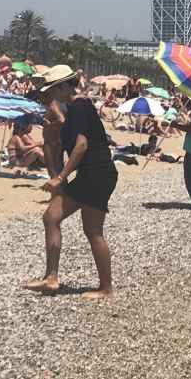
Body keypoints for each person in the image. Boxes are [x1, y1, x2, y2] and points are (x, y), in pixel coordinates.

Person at [24, 66, 114, 298]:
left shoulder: (80, 105)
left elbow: (82, 145)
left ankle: (106, 288)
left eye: (53, 89)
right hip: (89, 174)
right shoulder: (73, 109)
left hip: (98, 173)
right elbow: (68, 137)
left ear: (64, 86)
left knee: (93, 231)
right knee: (51, 217)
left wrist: (61, 178)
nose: (52, 95)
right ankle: (51, 278)